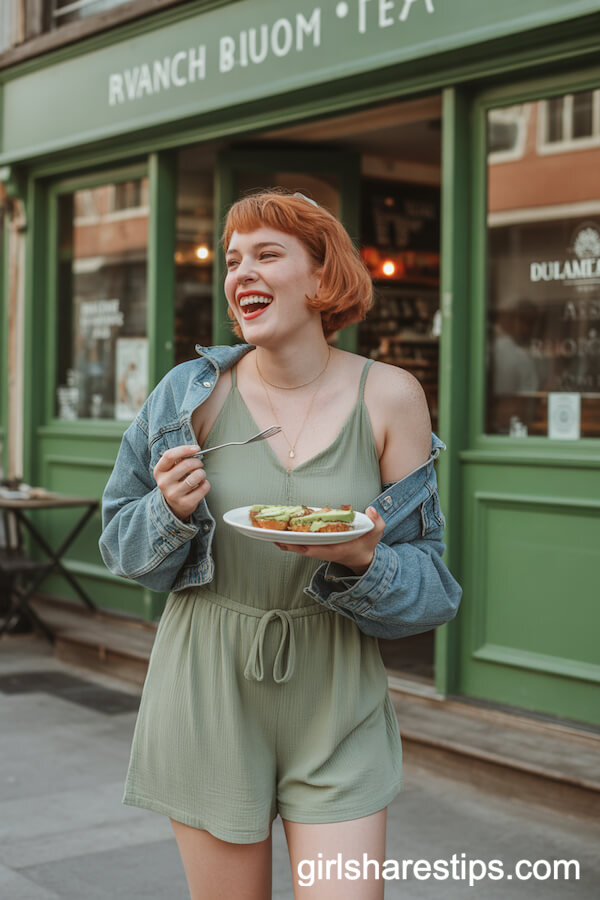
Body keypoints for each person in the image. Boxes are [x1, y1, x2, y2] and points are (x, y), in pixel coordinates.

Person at [99, 189, 461, 900]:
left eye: (268, 255)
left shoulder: (390, 396)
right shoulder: (188, 397)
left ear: (323, 280)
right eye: (234, 260)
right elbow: (121, 549)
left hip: (337, 691)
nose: (242, 274)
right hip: (207, 680)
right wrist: (166, 511)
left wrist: (366, 562)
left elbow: (433, 590)